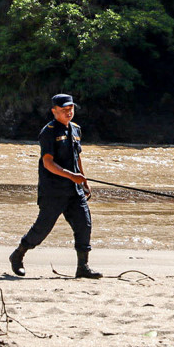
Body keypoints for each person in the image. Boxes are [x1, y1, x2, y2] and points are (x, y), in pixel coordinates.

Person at [9, 93, 103, 279]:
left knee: (84, 224)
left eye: (71, 109)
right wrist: (71, 176)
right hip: (53, 190)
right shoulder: (49, 131)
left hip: (74, 190)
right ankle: (18, 254)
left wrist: (84, 181)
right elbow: (48, 163)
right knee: (42, 228)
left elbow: (77, 158)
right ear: (54, 111)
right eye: (64, 110)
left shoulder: (76, 129)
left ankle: (82, 267)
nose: (69, 113)